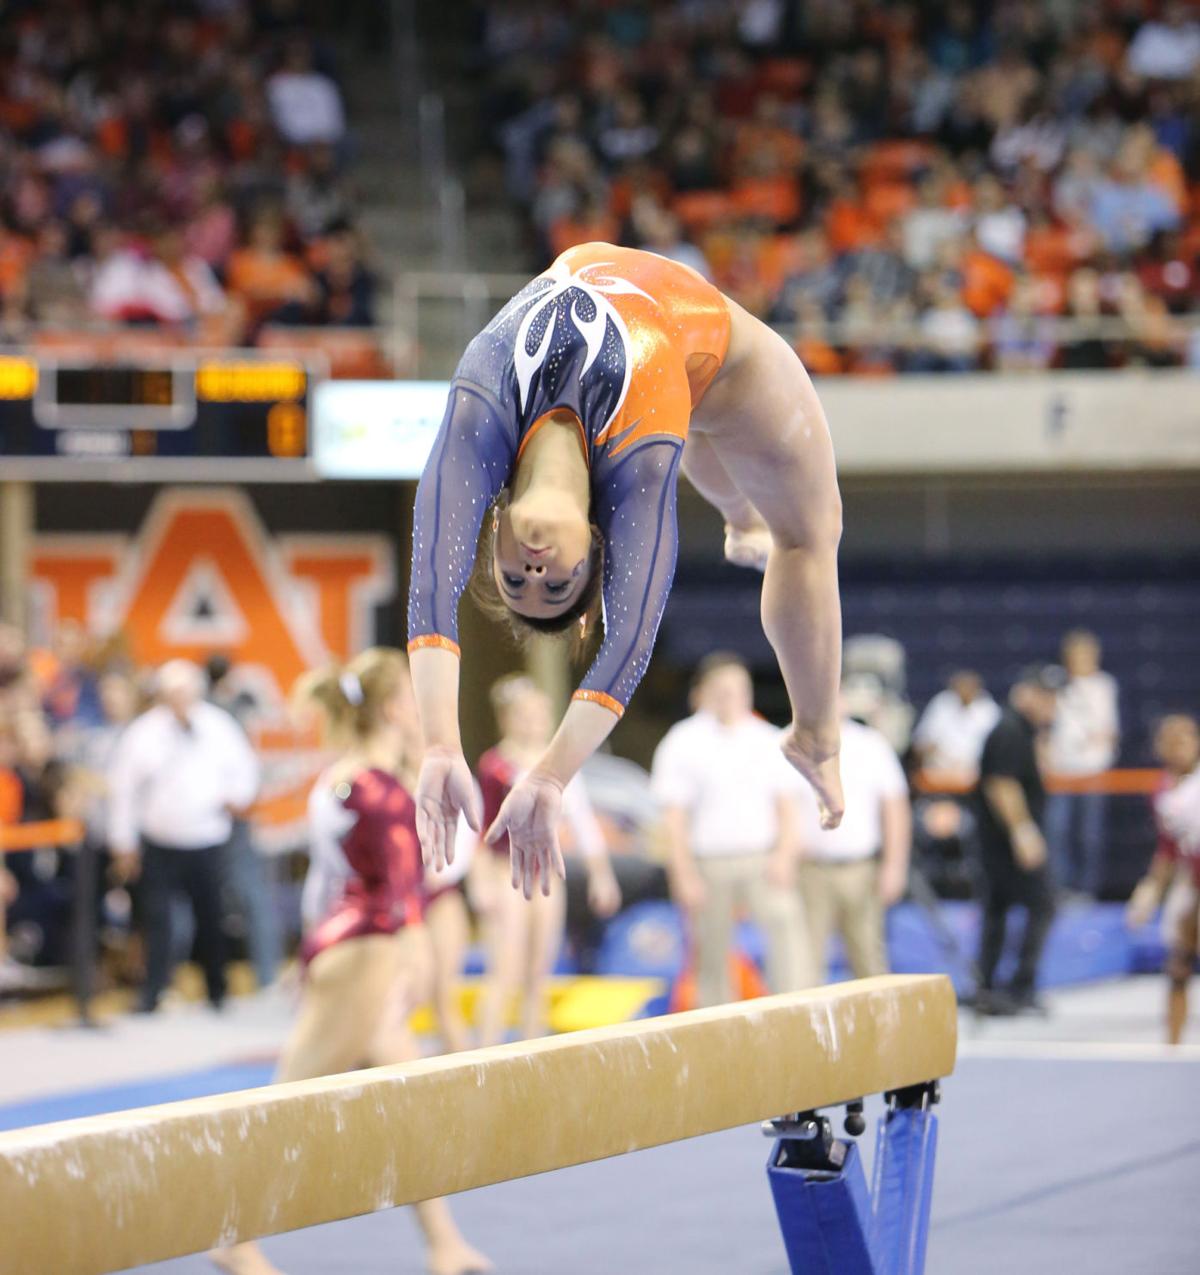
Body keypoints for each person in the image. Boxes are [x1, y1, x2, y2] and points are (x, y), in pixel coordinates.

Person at [406, 242, 845, 894]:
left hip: (680, 383)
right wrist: (551, 776)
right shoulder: (635, 465)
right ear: (594, 548)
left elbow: (433, 584)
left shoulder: (483, 413)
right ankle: (816, 734)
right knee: (810, 535)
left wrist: (440, 744)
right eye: (557, 585)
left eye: (516, 581)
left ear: (492, 533)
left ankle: (738, 515)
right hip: (727, 374)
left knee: (710, 451)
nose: (535, 570)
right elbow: (631, 638)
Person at [214, 649, 489, 1275]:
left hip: (354, 950)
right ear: (396, 707)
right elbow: (399, 892)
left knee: (408, 1104)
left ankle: (444, 1242)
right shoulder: (374, 788)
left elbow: (327, 888)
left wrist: (313, 951)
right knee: (289, 1103)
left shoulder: (346, 779)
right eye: (417, 700)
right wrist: (415, 957)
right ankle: (233, 1232)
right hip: (367, 954)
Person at [651, 652, 815, 1007]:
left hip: (761, 858)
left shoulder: (769, 739)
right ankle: (716, 1026)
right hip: (709, 862)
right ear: (706, 693)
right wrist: (683, 873)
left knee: (786, 930)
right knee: (710, 951)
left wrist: (786, 855)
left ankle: (795, 1009)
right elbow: (674, 818)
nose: (731, 697)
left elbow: (788, 807)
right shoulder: (683, 741)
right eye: (722, 690)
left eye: (738, 689)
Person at [474, 674, 621, 1046]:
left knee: (539, 974)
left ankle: (530, 1053)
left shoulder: (558, 762)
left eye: (540, 714)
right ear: (506, 719)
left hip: (546, 877)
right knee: (506, 973)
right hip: (505, 873)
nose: (535, 722)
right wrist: (480, 884)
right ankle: (484, 1057)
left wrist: (602, 875)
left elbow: (583, 820)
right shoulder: (495, 766)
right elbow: (478, 829)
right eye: (525, 715)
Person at [107, 660, 259, 1014]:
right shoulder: (144, 734)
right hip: (160, 842)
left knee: (211, 916)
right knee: (156, 919)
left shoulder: (219, 727)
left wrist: (238, 799)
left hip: (206, 839)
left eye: (185, 692)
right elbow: (124, 791)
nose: (179, 699)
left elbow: (245, 770)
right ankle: (153, 990)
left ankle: (217, 991)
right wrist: (123, 842)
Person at [792, 701, 912, 983]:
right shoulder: (791, 741)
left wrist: (894, 866)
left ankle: (880, 1025)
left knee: (868, 955)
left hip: (860, 867)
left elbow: (894, 807)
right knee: (804, 961)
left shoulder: (871, 744)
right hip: (809, 868)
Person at [973, 664, 1063, 1016]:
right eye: (1044, 695)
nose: (1051, 704)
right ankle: (1018, 987)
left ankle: (988, 986)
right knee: (1043, 904)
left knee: (997, 911)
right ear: (1025, 693)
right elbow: (1001, 784)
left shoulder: (1023, 730)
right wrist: (1023, 833)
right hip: (1005, 842)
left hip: (1000, 841)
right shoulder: (1010, 729)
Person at [205, 654, 282, 990]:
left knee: (251, 896)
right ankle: (256, 977)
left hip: (231, 817)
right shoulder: (212, 709)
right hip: (204, 819)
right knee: (213, 899)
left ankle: (267, 976)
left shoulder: (234, 708)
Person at [1126, 714, 1200, 1045]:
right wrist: (1149, 892)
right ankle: (1173, 1044)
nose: (1178, 748)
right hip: (1191, 883)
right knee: (1178, 965)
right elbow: (1168, 851)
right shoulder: (1164, 793)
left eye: (1184, 740)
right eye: (1170, 741)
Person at [1045, 630, 1119, 900]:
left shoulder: (1103, 685)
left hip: (1091, 771)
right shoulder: (1056, 682)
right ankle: (1058, 889)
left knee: (1089, 834)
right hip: (1060, 772)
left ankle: (1087, 891)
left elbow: (1108, 730)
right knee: (1057, 831)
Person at [912, 670, 1001, 785]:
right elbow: (921, 743)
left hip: (978, 776)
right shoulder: (941, 703)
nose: (964, 690)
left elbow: (994, 751)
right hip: (940, 773)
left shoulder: (989, 710)